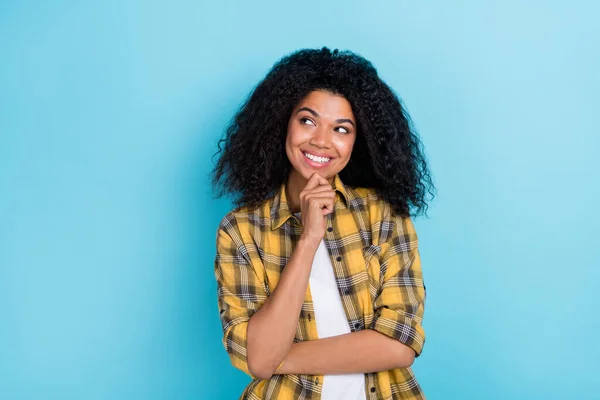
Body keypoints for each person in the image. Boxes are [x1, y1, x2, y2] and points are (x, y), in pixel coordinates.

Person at [211, 47, 435, 400]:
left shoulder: (383, 214)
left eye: (341, 129)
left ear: (357, 142)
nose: (321, 140)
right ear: (282, 122)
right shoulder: (241, 229)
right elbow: (255, 355)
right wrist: (309, 237)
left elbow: (400, 343)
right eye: (307, 120)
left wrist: (274, 359)